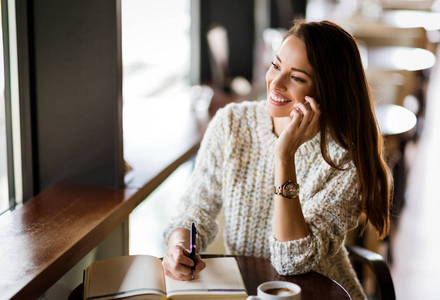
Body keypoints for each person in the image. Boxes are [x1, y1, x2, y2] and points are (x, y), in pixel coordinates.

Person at [162, 19, 392, 300]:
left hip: (323, 293)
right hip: (248, 291)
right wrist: (179, 247)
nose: (276, 82)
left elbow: (292, 261)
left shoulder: (345, 157)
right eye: (275, 65)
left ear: (325, 90)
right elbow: (193, 210)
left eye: (296, 78)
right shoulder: (232, 123)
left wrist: (285, 156)